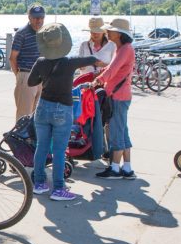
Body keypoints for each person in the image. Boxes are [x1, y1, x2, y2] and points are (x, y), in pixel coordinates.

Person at [27, 23, 96, 201]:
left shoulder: (41, 62)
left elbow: (31, 82)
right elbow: (90, 60)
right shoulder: (70, 62)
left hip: (43, 107)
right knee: (59, 150)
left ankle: (39, 184)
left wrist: (45, 76)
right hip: (62, 109)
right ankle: (58, 188)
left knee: (41, 147)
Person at [92, 18, 136, 180]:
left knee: (116, 131)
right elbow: (115, 68)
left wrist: (98, 80)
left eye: (110, 30)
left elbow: (113, 69)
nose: (107, 32)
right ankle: (127, 167)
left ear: (119, 34)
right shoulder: (123, 48)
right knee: (123, 131)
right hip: (121, 94)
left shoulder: (125, 49)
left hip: (118, 96)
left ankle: (115, 169)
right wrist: (102, 72)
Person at [9, 5, 45, 119]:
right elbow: (12, 57)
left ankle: (32, 138)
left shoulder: (45, 33)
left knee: (37, 117)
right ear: (29, 17)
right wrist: (19, 76)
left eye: (41, 17)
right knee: (24, 117)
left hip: (41, 78)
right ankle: (18, 137)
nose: (38, 20)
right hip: (27, 75)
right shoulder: (22, 33)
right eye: (35, 17)